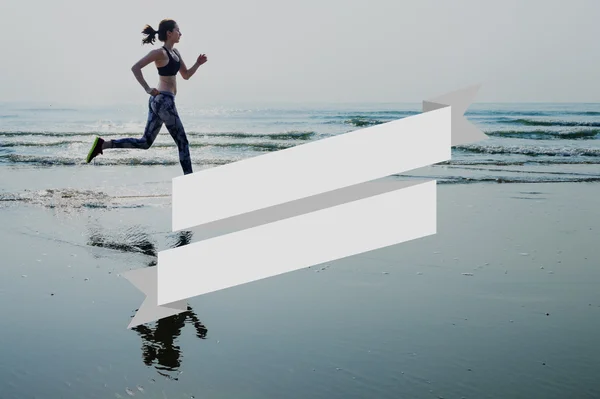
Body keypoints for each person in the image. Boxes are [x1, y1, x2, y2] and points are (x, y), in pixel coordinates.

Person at [86, 19, 207, 175]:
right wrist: (148, 88)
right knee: (183, 142)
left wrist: (197, 63)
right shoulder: (159, 53)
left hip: (161, 102)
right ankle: (190, 182)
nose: (180, 33)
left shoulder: (175, 53)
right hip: (163, 101)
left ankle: (103, 145)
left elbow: (186, 75)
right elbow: (136, 67)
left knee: (145, 142)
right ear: (169, 33)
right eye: (178, 30)